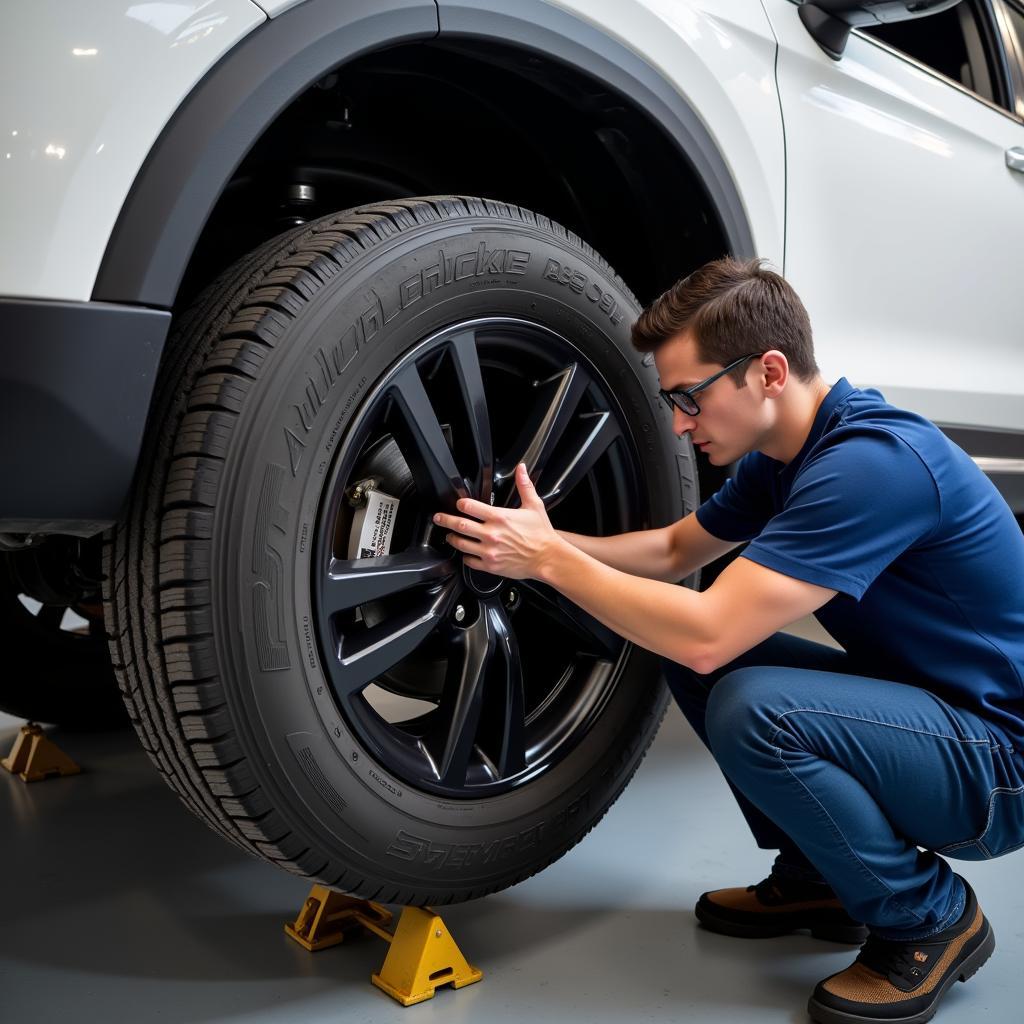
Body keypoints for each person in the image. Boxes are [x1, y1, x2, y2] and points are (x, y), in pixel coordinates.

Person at [432, 256, 1024, 1024]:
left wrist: (549, 563)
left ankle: (929, 917)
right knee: (694, 656)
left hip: (1000, 765)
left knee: (750, 700)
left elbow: (710, 634)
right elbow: (677, 553)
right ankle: (820, 875)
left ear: (768, 371)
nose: (679, 423)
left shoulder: (872, 467)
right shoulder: (792, 456)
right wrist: (546, 543)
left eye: (690, 396)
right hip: (932, 718)